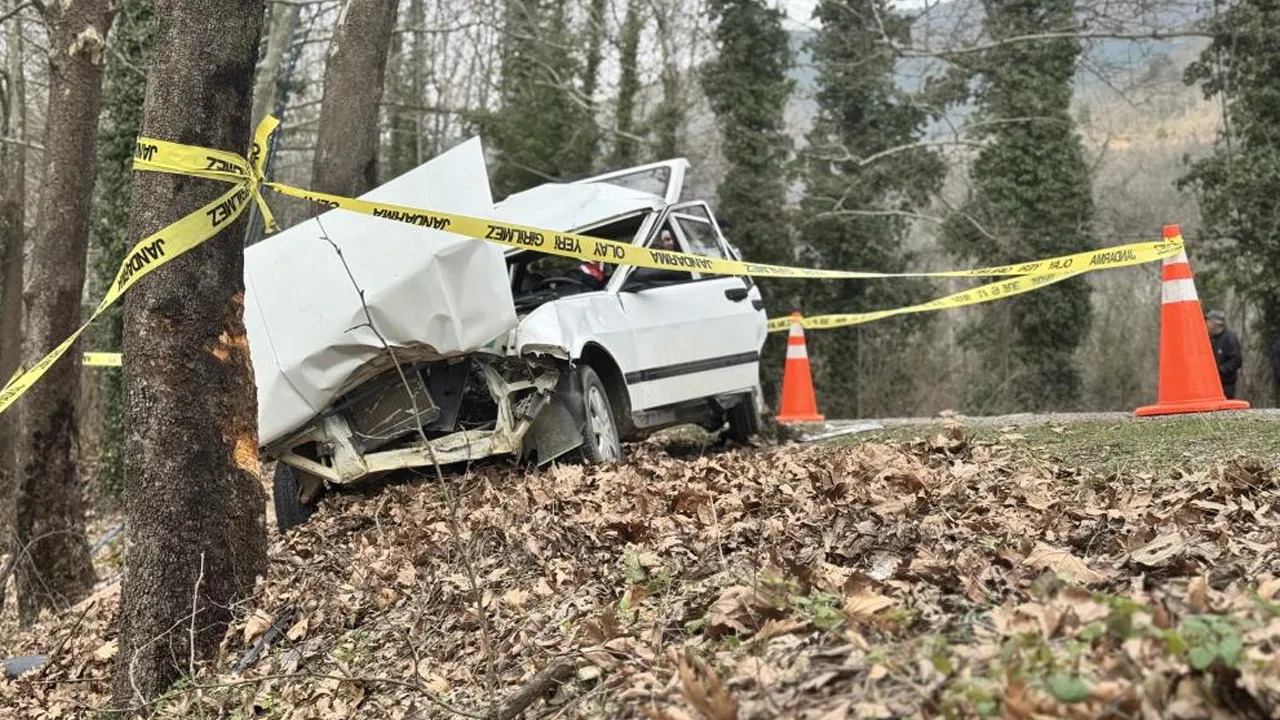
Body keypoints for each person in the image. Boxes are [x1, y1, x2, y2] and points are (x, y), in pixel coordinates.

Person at [1206, 310, 1243, 399]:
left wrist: (1220, 370)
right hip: (1211, 384)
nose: (1207, 324)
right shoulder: (1210, 338)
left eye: (1209, 321)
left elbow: (1236, 360)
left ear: (1216, 323)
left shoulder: (1229, 338)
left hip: (1226, 384)